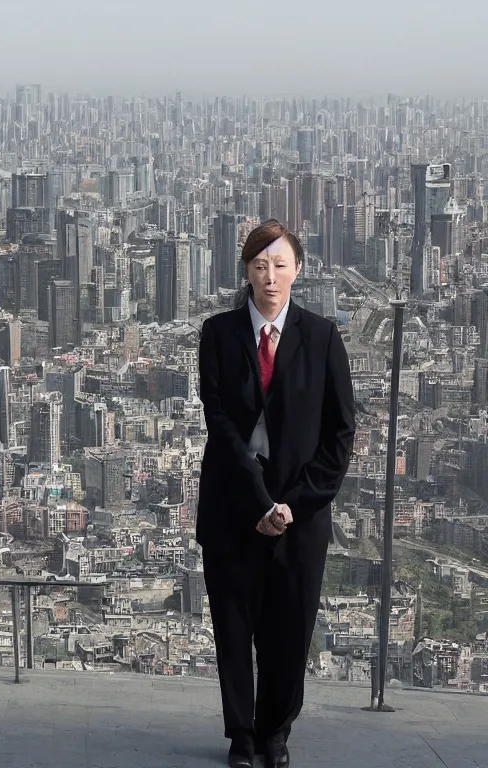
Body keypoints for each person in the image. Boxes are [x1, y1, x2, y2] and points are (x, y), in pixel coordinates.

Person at [196, 220, 355, 768]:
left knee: (290, 630)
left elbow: (340, 432)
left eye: (279, 264)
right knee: (235, 628)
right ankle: (241, 735)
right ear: (246, 270)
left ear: (298, 269)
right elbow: (222, 425)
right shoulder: (218, 334)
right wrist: (260, 502)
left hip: (300, 514)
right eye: (259, 265)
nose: (269, 276)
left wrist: (296, 502)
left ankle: (276, 733)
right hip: (233, 507)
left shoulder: (322, 337)